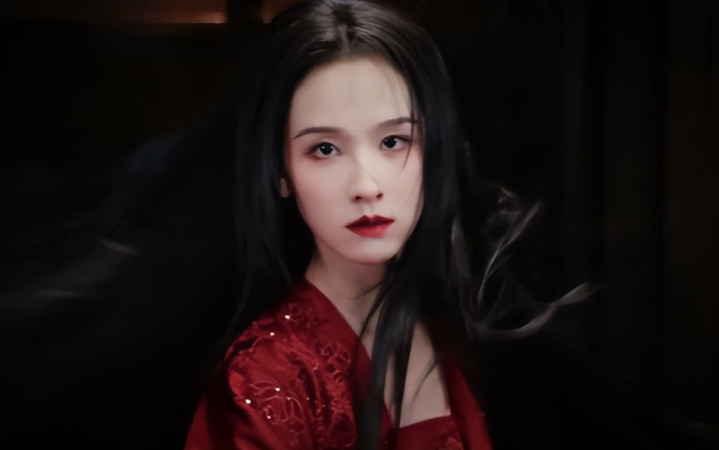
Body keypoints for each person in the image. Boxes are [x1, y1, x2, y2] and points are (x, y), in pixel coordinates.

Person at [184, 1, 710, 449]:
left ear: (433, 150)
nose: (366, 184)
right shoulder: (263, 380)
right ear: (280, 172)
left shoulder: (468, 313)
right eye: (324, 149)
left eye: (394, 141)